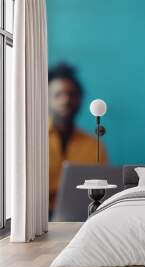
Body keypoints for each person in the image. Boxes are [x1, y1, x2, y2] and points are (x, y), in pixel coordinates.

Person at [48, 63, 108, 217]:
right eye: (58, 94)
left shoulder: (94, 146)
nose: (66, 99)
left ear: (80, 99)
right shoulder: (32, 141)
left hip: (81, 215)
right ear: (46, 99)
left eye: (71, 94)